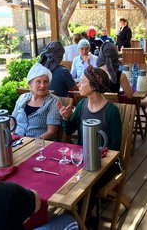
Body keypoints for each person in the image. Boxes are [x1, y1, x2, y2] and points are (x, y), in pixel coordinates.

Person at [57, 66, 122, 229]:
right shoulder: (82, 106)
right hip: (82, 160)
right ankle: (78, 212)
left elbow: (115, 147)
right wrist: (66, 118)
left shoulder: (111, 111)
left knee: (88, 182)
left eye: (83, 82)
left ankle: (88, 214)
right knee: (62, 171)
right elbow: (70, 130)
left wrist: (96, 157)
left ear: (93, 86)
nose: (78, 84)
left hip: (108, 164)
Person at [12, 63, 61, 139]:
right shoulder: (22, 98)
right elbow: (12, 120)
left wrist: (34, 143)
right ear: (30, 84)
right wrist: (11, 135)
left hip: (39, 144)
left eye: (45, 82)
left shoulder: (53, 101)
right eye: (38, 81)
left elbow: (51, 132)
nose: (42, 85)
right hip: (17, 141)